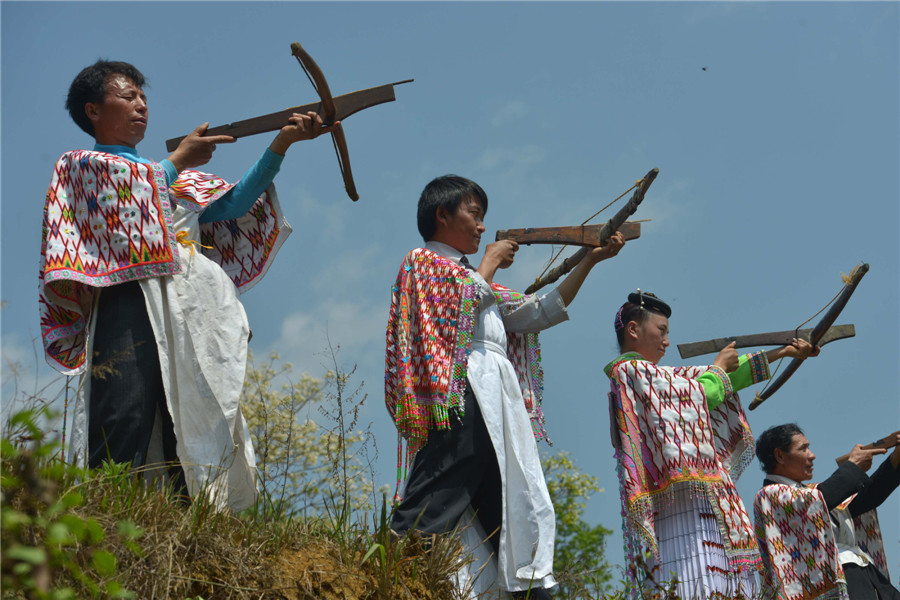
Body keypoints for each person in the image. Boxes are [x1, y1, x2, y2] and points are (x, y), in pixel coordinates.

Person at [39, 59, 335, 510]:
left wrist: (282, 143)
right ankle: (106, 517)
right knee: (125, 408)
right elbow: (128, 205)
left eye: (143, 97)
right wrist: (177, 161)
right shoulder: (84, 165)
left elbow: (233, 202)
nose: (141, 105)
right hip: (129, 295)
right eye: (127, 96)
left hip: (190, 306)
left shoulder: (168, 175)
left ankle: (185, 521)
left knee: (190, 412)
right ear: (93, 110)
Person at [384, 175, 626, 599]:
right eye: (473, 215)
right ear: (442, 215)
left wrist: (591, 261)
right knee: (447, 474)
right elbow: (457, 310)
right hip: (458, 387)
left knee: (515, 494)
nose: (480, 227)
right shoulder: (423, 263)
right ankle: (397, 556)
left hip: (497, 393)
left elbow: (537, 312)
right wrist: (490, 261)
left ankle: (530, 586)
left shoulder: (475, 280)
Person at [604, 291, 818, 599]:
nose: (666, 341)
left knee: (711, 579)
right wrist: (717, 369)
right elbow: (699, 395)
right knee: (692, 581)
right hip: (676, 504)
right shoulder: (630, 372)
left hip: (693, 498)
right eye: (661, 331)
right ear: (634, 330)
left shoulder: (660, 376)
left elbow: (714, 381)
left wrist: (782, 352)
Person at [754, 424, 900, 600]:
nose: (812, 455)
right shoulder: (770, 496)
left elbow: (865, 499)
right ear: (780, 455)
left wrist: (896, 458)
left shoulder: (811, 494)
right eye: (803, 448)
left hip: (863, 575)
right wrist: (853, 467)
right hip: (838, 584)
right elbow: (825, 496)